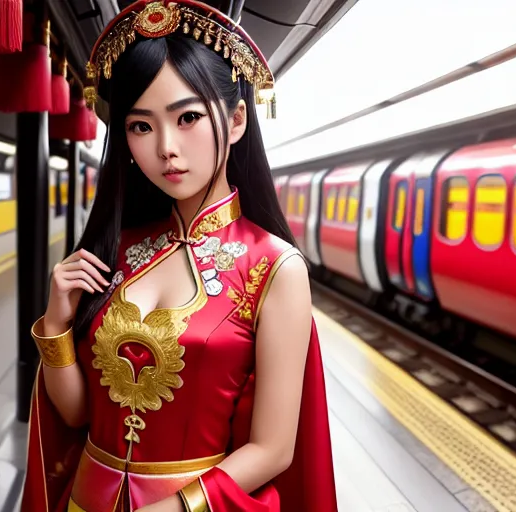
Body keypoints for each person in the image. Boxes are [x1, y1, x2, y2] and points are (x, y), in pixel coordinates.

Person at [21, 1, 337, 510]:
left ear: (236, 120)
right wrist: (57, 321)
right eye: (140, 126)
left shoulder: (275, 268)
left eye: (187, 117)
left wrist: (174, 507)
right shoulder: (117, 250)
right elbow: (79, 415)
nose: (165, 147)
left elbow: (274, 449)